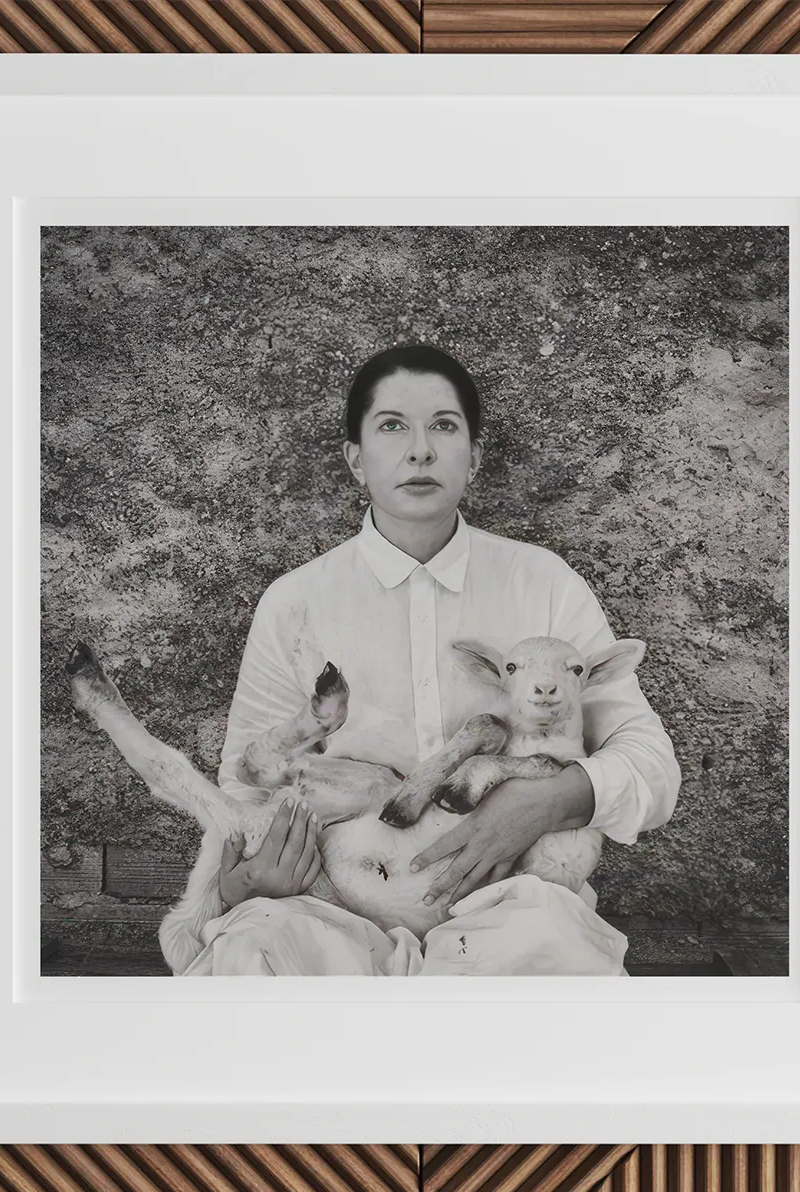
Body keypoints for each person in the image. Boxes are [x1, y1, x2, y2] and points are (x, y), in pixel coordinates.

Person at [183, 344, 680, 975]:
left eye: (443, 426)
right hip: (327, 906)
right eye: (392, 427)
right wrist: (254, 877)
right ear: (355, 460)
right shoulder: (296, 603)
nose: (419, 450)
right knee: (253, 970)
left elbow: (651, 767)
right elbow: (242, 781)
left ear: (473, 455)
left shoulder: (544, 585)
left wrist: (552, 799)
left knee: (552, 982)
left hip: (511, 911)